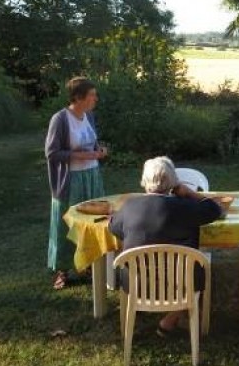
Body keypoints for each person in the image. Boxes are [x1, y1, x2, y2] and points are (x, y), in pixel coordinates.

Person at [109, 156, 221, 337]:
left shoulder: (129, 206)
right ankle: (179, 314)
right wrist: (191, 193)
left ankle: (170, 316)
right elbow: (215, 209)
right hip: (181, 280)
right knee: (200, 269)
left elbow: (114, 227)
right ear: (173, 183)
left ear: (144, 181)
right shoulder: (184, 207)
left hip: (137, 280)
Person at [45, 76, 108, 290]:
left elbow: (91, 143)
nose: (95, 99)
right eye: (92, 95)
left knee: (93, 222)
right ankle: (63, 270)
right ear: (78, 97)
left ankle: (90, 265)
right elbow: (52, 153)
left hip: (92, 177)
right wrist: (80, 156)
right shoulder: (60, 119)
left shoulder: (89, 116)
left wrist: (99, 152)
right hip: (70, 181)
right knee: (67, 224)